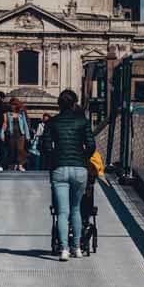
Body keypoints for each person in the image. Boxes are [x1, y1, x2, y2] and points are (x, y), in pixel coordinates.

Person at [40, 88, 95, 260]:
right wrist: (82, 157)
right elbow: (91, 145)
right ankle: (77, 248)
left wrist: (55, 158)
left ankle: (63, 249)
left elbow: (46, 147)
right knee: (76, 209)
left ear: (59, 104)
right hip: (79, 169)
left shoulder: (52, 123)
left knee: (62, 212)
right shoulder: (83, 121)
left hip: (59, 168)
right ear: (74, 103)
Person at [5, 97, 32, 171]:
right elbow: (5, 124)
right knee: (12, 149)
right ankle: (13, 164)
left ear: (17, 105)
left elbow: (25, 124)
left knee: (20, 149)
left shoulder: (21, 113)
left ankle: (20, 164)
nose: (12, 106)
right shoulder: (8, 114)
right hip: (11, 133)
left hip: (21, 133)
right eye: (11, 104)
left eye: (14, 104)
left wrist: (27, 135)